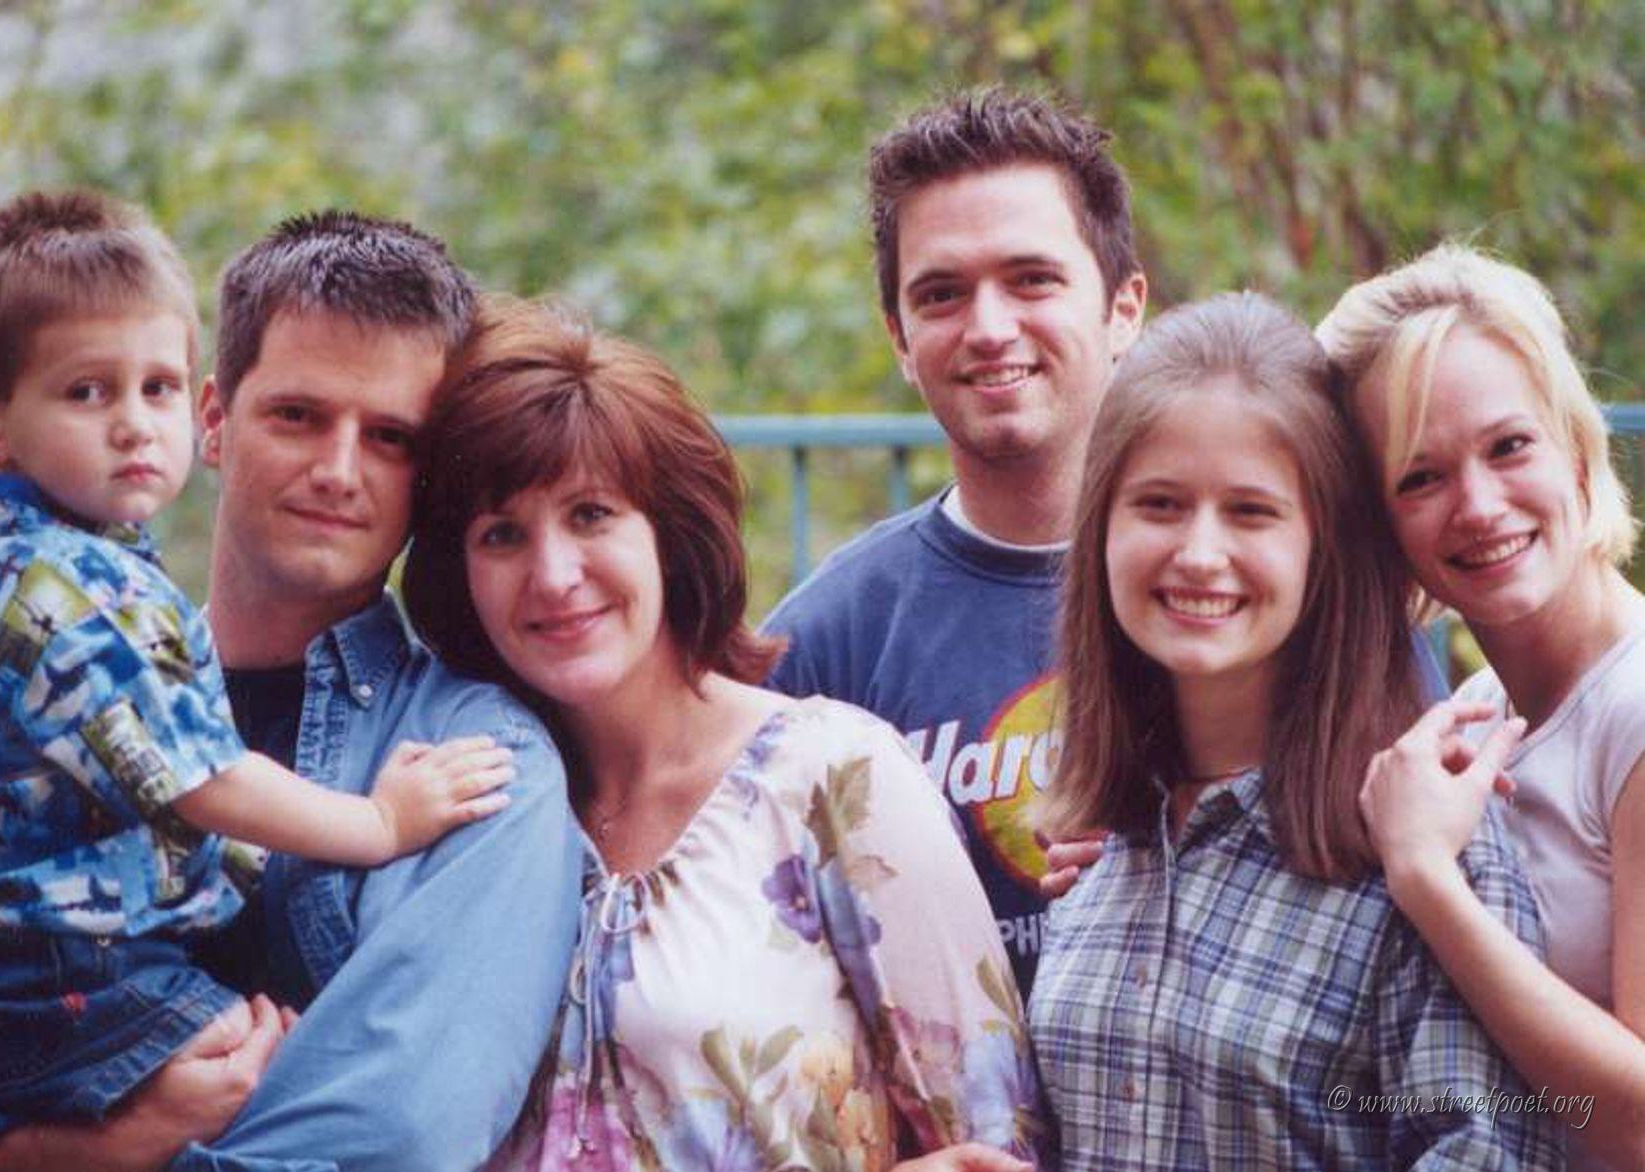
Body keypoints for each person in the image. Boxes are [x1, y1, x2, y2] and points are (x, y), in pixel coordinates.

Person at [0, 210, 583, 1171]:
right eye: (298, 416)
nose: (338, 471)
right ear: (213, 420)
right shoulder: (45, 683)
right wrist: (76, 1153)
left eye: (390, 437)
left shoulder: (475, 765)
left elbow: (394, 1135)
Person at [401, 297, 1040, 1172]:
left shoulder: (833, 779)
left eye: (591, 515)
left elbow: (993, 1146)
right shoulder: (466, 797)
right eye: (501, 534)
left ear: (670, 535)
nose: (552, 575)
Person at [1026, 293, 1562, 1167]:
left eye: (1251, 511)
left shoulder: (1429, 847)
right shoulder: (1107, 843)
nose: (1200, 554)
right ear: (1101, 531)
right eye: (1159, 504)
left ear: (1324, 547)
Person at [761, 89, 1146, 992]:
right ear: (899, 338)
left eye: (1032, 280)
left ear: (1124, 307)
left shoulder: (1255, 586)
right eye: (942, 294)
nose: (990, 328)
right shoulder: (824, 646)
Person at [1319, 243, 1645, 1168]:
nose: (1478, 505)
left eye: (1509, 447)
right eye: (1419, 477)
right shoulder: (1477, 710)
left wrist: (1427, 879)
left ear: (1574, 445)